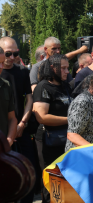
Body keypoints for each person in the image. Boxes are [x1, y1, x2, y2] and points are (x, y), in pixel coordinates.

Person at [0, 37, 37, 203]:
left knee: (28, 169)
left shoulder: (22, 71)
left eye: (15, 53)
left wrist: (22, 122)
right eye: (8, 53)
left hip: (21, 127)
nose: (12, 57)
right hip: (4, 133)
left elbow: (29, 99)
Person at [33, 54, 72, 202]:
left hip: (66, 140)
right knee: (52, 183)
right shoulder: (43, 87)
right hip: (49, 141)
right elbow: (41, 117)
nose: (67, 71)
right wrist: (70, 120)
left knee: (65, 181)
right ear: (52, 68)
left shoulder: (66, 86)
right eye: (63, 68)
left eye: (67, 68)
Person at [0, 46, 18, 148]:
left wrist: (9, 139)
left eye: (2, 62)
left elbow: (12, 118)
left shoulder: (6, 85)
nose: (1, 66)